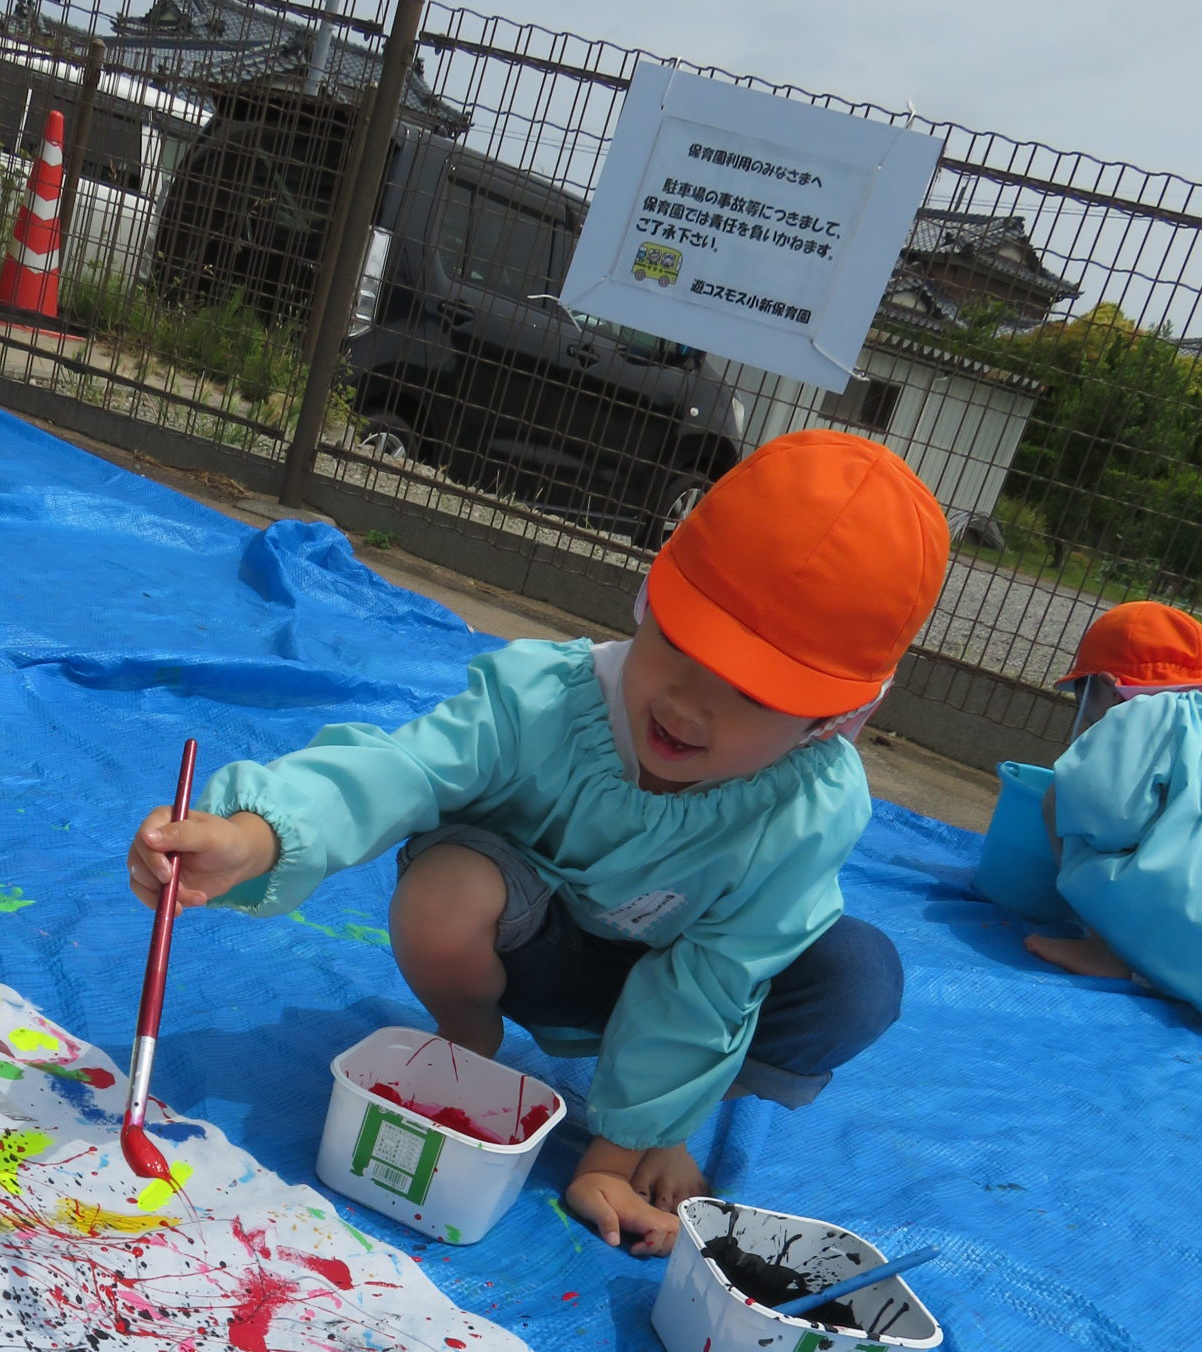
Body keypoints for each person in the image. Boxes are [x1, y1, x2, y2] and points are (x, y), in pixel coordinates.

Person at [126, 430, 949, 1255]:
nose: (690, 706)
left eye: (754, 694)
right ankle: (469, 1036)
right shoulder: (546, 701)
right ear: (648, 601)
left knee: (854, 974)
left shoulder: (810, 809)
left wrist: (612, 1157)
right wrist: (255, 833)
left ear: (832, 722)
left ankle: (668, 1119)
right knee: (449, 886)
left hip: (681, 979)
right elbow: (400, 768)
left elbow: (714, 981)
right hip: (536, 952)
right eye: (681, 643)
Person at [1024, 599, 1202, 1010]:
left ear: (1107, 684)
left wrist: (1077, 781)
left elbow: (1105, 812)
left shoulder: (1143, 714)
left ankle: (1108, 953)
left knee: (1061, 801)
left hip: (1184, 947)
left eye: (1088, 716)